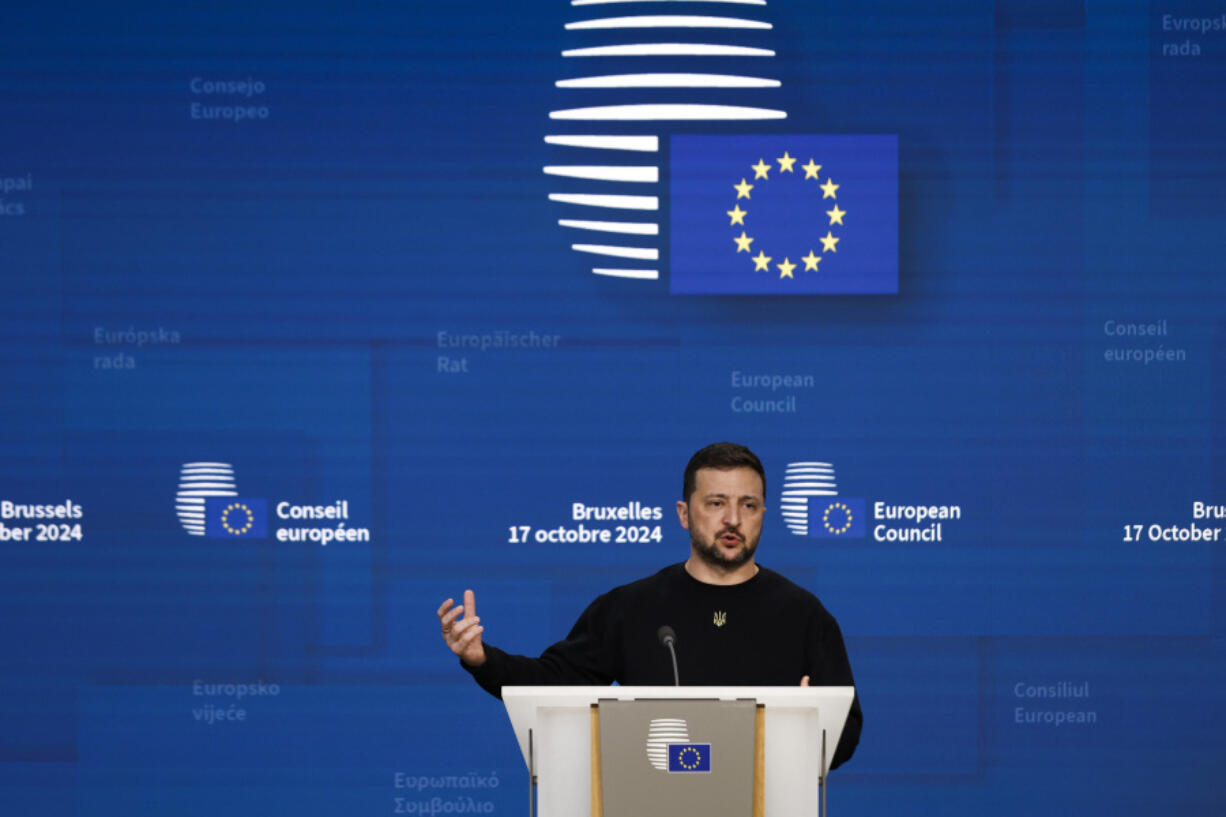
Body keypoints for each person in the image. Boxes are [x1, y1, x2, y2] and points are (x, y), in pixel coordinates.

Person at [437, 442, 862, 768]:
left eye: (747, 505)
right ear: (683, 513)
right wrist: (482, 660)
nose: (732, 519)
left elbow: (847, 731)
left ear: (764, 514)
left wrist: (813, 723)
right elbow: (554, 684)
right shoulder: (631, 607)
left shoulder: (804, 615)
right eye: (716, 503)